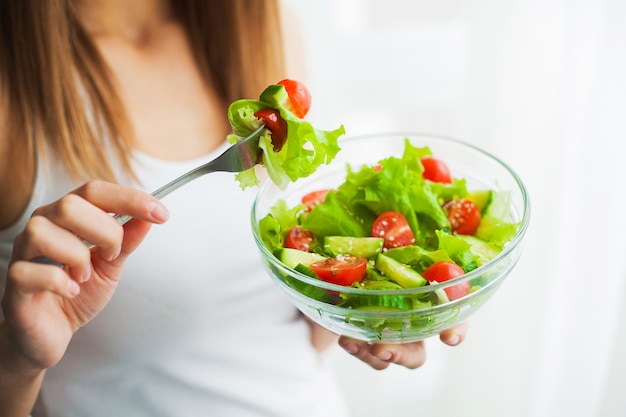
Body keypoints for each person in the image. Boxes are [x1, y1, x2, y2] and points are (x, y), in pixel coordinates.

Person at [0, 1, 468, 416]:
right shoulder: (14, 90)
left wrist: (373, 313)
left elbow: (292, 334)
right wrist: (16, 363)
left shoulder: (265, 24)